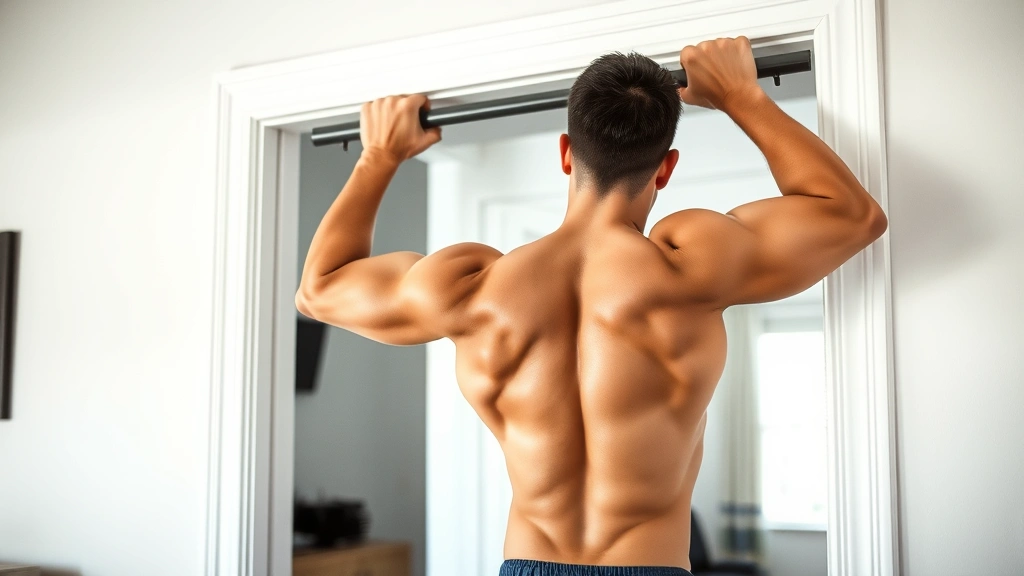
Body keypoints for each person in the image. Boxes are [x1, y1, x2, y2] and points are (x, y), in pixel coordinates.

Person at [296, 36, 888, 576]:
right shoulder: (692, 266)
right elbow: (852, 215)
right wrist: (741, 96)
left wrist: (379, 156)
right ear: (666, 168)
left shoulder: (472, 288)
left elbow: (319, 288)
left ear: (565, 153)